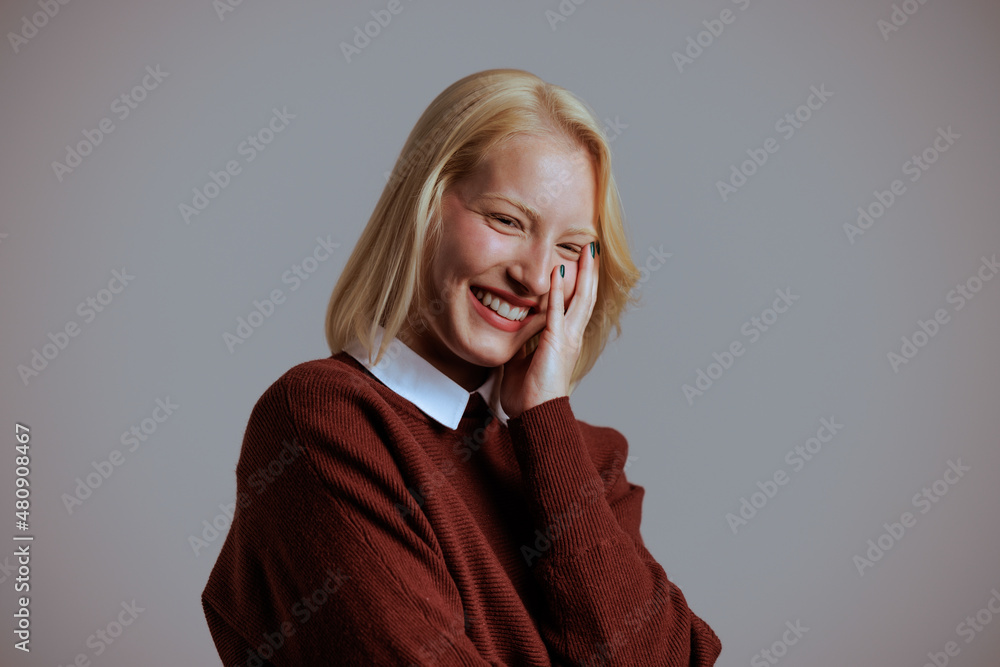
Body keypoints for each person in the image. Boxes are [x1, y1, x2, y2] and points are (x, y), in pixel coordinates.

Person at [202, 68, 722, 666]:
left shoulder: (586, 462)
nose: (531, 274)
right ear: (425, 206)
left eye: (570, 247)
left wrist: (546, 422)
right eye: (507, 220)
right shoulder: (324, 422)